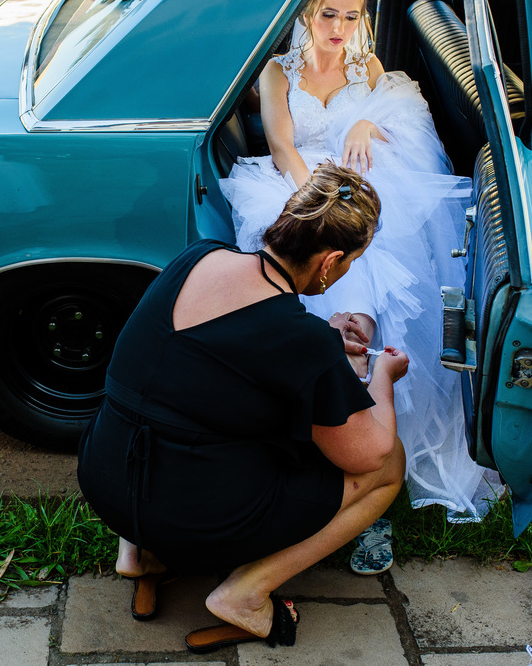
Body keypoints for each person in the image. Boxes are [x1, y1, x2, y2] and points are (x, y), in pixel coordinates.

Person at [77, 164, 408, 653]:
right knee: (390, 464)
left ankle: (141, 557)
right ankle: (246, 595)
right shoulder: (302, 338)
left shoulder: (198, 258)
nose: (347, 271)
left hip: (107, 478)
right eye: (351, 262)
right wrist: (381, 377)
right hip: (189, 515)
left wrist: (323, 345)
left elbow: (212, 357)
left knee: (171, 411)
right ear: (330, 261)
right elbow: (367, 455)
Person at [220, 0, 500, 539]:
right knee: (339, 258)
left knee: (374, 259)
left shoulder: (366, 65)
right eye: (329, 14)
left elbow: (405, 121)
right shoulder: (277, 72)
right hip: (294, 185)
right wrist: (320, 204)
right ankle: (343, 419)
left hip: (360, 184)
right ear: (306, 12)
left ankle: (362, 407)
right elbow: (281, 146)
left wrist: (366, 126)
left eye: (351, 16)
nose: (339, 27)